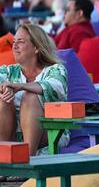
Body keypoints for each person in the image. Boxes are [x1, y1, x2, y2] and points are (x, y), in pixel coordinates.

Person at [0, 24, 68, 156]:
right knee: (2, 100)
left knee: (30, 96)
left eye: (20, 41)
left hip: (47, 133)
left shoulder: (55, 69)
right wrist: (5, 88)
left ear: (36, 47)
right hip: (13, 133)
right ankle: (3, 159)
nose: (14, 46)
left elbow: (56, 86)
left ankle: (27, 160)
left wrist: (21, 86)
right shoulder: (8, 71)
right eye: (14, 42)